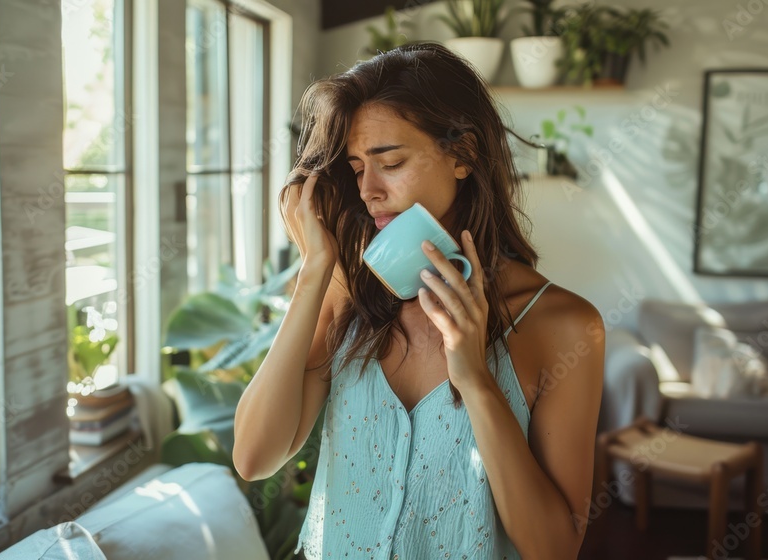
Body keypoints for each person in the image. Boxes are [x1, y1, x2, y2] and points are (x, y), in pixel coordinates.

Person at [232, 42, 605, 560]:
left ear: (464, 155)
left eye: (391, 161)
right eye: (357, 166)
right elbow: (254, 457)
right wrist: (315, 269)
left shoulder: (562, 324)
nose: (368, 190)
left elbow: (554, 549)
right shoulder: (349, 291)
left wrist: (475, 378)